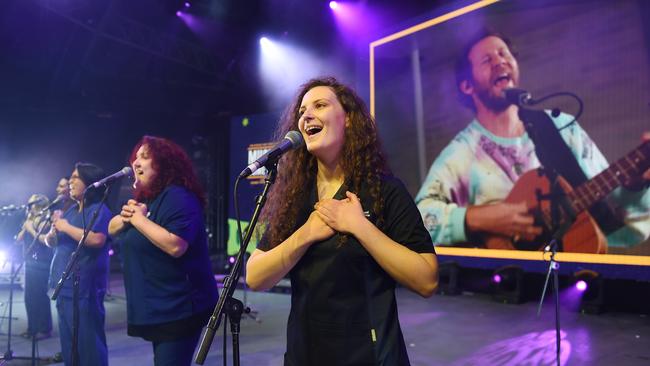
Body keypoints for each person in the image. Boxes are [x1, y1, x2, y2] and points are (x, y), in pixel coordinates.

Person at [246, 77, 438, 366]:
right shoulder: (295, 197)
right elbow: (255, 277)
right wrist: (307, 233)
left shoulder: (383, 190)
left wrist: (360, 226)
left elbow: (427, 279)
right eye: (301, 112)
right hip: (305, 354)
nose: (306, 115)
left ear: (348, 120)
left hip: (370, 356)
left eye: (320, 105)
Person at [414, 29, 650, 250]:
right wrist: (477, 218)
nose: (500, 61)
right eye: (487, 60)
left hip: (575, 277)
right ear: (467, 86)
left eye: (504, 53)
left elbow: (608, 210)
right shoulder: (461, 154)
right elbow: (417, 220)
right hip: (502, 287)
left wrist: (634, 187)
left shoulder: (561, 127)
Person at [108, 136, 218, 366]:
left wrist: (138, 219)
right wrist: (130, 216)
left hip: (180, 309)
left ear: (165, 164)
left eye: (145, 157)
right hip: (159, 308)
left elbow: (176, 245)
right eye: (135, 158)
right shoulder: (151, 200)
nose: (136, 163)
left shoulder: (179, 197)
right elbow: (111, 228)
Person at [44, 163, 110, 366]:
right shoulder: (71, 210)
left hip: (84, 289)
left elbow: (97, 239)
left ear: (89, 183)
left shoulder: (98, 209)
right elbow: (52, 242)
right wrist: (53, 233)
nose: (70, 181)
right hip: (64, 287)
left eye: (75, 177)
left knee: (88, 345)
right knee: (69, 346)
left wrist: (65, 226)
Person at [15, 193, 53, 340]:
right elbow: (18, 240)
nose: (29, 206)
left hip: (42, 263)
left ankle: (44, 329)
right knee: (29, 297)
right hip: (30, 263)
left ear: (39, 205)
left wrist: (30, 227)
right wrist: (26, 226)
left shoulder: (45, 219)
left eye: (32, 204)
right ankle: (32, 328)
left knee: (40, 296)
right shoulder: (29, 220)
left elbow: (43, 239)